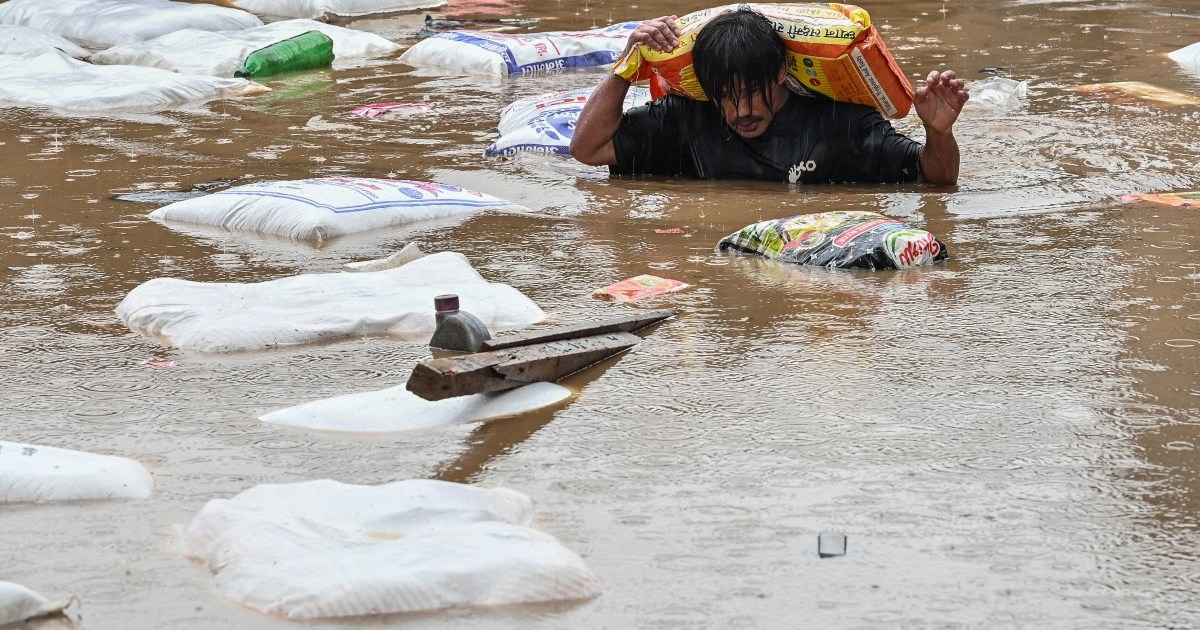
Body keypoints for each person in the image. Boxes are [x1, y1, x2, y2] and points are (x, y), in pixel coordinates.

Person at [569, 8, 968, 185]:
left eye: (750, 93)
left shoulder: (840, 124)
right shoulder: (685, 120)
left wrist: (938, 133)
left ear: (781, 73)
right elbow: (587, 149)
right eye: (725, 96)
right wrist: (626, 64)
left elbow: (936, 180)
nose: (741, 111)